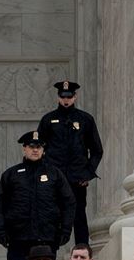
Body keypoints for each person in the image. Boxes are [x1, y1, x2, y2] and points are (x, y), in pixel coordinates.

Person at [0, 130, 75, 260]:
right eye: (31, 146)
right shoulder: (11, 175)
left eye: (39, 147)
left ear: (43, 150)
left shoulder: (55, 174)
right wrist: (1, 231)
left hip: (47, 238)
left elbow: (69, 203)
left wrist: (65, 230)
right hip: (18, 239)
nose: (35, 150)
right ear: (24, 149)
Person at [39, 80, 104, 246]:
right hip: (55, 178)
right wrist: (45, 173)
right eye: (63, 96)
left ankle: (82, 251)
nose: (66, 100)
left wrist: (87, 173)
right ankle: (49, 253)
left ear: (75, 96)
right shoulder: (48, 120)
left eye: (69, 96)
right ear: (58, 97)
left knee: (79, 216)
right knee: (51, 216)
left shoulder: (85, 119)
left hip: (77, 179)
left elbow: (97, 150)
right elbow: (39, 149)